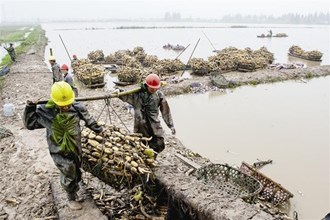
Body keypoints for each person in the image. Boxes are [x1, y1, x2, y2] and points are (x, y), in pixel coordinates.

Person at [23, 81, 103, 210]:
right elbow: (30, 124)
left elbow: (89, 119)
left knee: (76, 170)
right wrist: (29, 108)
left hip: (75, 147)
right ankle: (71, 198)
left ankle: (74, 191)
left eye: (68, 104)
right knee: (68, 170)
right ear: (55, 101)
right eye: (62, 105)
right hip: (58, 149)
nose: (66, 107)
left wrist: (99, 130)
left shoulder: (77, 107)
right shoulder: (46, 110)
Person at [118, 73, 175, 153]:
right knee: (141, 146)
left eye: (155, 88)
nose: (154, 90)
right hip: (140, 125)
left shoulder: (159, 95)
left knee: (159, 144)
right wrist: (119, 92)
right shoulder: (137, 95)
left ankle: (153, 156)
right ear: (147, 85)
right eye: (151, 88)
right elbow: (126, 96)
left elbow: (165, 111)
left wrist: (171, 125)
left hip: (154, 125)